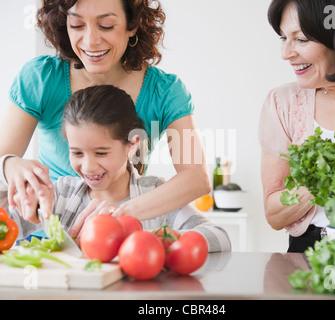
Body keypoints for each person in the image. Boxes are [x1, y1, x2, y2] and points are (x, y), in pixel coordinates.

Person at [0, 0, 210, 226]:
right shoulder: (41, 78)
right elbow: (3, 158)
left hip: (112, 234)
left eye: (107, 25)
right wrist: (9, 164)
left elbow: (196, 178)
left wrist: (118, 212)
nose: (90, 41)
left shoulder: (165, 92)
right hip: (46, 233)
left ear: (133, 25)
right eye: (77, 25)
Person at [1, 85, 231, 252]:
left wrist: (141, 240)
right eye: (77, 153)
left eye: (101, 153)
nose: (88, 166)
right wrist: (9, 166)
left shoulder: (156, 194)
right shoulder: (60, 194)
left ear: (132, 146)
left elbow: (219, 238)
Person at [259, 0, 335, 252]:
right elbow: (274, 215)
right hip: (310, 252)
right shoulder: (282, 103)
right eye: (283, 37)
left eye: (302, 39)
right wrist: (325, 176)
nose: (286, 53)